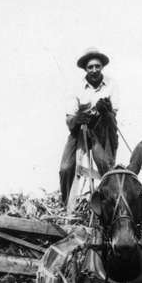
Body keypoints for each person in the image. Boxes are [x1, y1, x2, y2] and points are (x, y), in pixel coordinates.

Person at [59, 47, 119, 205]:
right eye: (90, 67)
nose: (94, 70)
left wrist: (105, 110)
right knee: (65, 168)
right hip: (80, 130)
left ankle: (110, 203)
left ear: (102, 67)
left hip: (102, 129)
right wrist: (78, 118)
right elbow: (70, 120)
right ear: (85, 69)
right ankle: (65, 204)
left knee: (106, 165)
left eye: (97, 66)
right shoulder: (75, 88)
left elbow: (114, 116)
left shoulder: (111, 84)